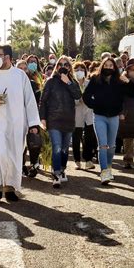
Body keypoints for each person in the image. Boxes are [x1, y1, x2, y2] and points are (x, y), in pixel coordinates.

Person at [0, 45, 40, 202]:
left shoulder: (20, 76)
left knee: (13, 154)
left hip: (16, 122)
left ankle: (10, 187)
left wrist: (33, 124)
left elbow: (30, 100)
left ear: (8, 57)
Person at [83, 57, 134, 184]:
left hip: (114, 117)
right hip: (99, 116)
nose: (108, 67)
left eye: (111, 65)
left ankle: (109, 167)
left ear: (114, 67)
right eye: (106, 65)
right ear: (102, 66)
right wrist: (94, 105)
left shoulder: (119, 81)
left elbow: (133, 94)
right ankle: (104, 172)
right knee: (103, 145)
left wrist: (128, 81)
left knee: (111, 146)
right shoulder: (96, 79)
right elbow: (86, 95)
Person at [40, 56, 81, 188]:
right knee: (57, 147)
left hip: (68, 120)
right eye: (60, 64)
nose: (63, 67)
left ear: (70, 68)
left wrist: (68, 82)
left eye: (66, 65)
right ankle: (56, 173)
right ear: (56, 67)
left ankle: (62, 169)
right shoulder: (51, 81)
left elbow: (78, 96)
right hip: (54, 120)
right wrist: (43, 118)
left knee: (64, 149)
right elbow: (43, 101)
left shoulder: (73, 82)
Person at [16, 60, 42, 178]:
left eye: (24, 68)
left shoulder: (34, 84)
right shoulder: (12, 84)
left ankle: (34, 164)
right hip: (16, 117)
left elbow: (37, 102)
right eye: (19, 68)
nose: (22, 70)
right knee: (20, 143)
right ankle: (21, 166)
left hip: (31, 115)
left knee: (33, 141)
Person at [72, 61, 97, 170]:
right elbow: (70, 99)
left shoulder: (89, 83)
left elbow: (94, 97)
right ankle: (77, 160)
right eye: (77, 70)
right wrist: (78, 100)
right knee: (76, 137)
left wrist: (87, 99)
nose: (79, 72)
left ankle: (88, 160)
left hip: (88, 112)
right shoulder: (72, 84)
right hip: (76, 113)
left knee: (89, 137)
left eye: (82, 70)